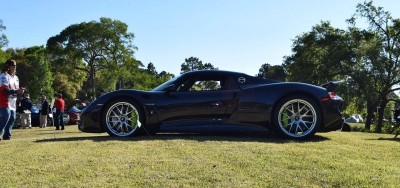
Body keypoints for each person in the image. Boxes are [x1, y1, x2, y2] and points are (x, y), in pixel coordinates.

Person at [0, 59, 25, 140]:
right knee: (6, 116)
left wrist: (20, 91)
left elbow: (16, 90)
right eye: (13, 65)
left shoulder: (16, 78)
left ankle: (7, 136)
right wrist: (16, 91)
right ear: (8, 66)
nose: (15, 67)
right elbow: (5, 90)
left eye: (15, 65)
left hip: (13, 101)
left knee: (12, 118)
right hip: (4, 100)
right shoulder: (4, 76)